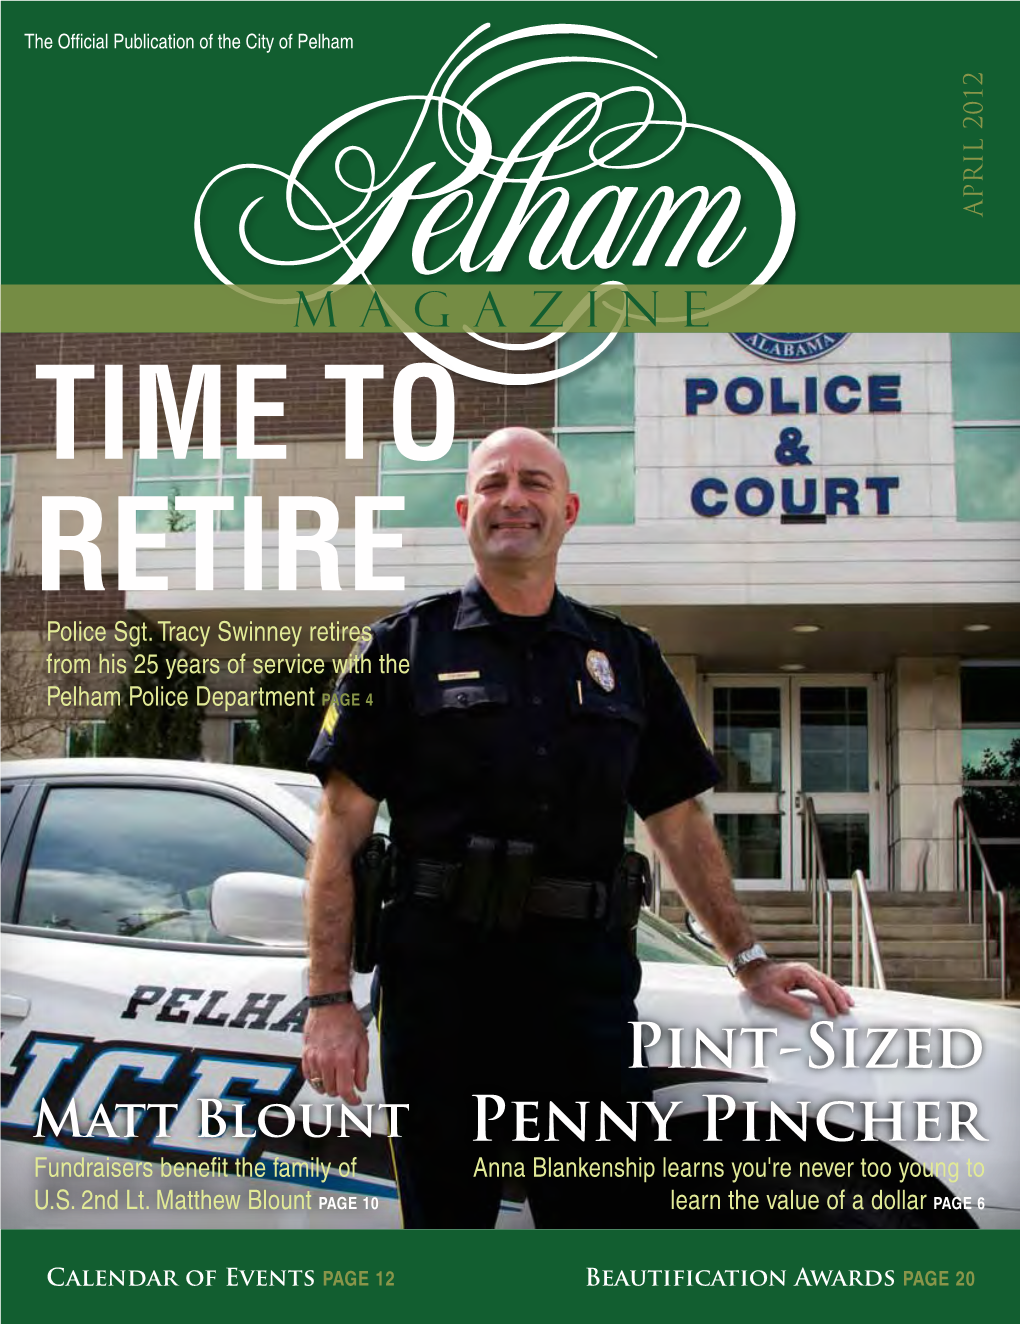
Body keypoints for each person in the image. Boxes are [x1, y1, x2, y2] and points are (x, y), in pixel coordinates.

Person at [304, 426, 852, 1228]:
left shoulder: (626, 657)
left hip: (583, 998)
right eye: (493, 484)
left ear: (568, 510)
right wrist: (328, 999)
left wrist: (752, 960)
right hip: (442, 993)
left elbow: (678, 821)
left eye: (533, 483)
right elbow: (339, 833)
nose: (513, 499)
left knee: (596, 1228)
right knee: (446, 1229)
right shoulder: (400, 648)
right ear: (465, 510)